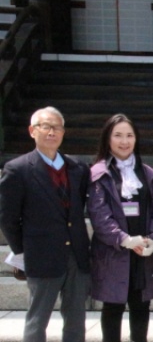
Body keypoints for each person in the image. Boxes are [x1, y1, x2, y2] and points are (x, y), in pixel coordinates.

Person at [0, 107, 91, 342]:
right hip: (41, 255)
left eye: (57, 127)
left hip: (76, 255)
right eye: (45, 126)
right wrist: (24, 249)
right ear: (32, 131)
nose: (52, 132)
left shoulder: (78, 168)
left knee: (76, 320)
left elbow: (77, 206)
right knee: (37, 319)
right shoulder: (17, 169)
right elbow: (7, 217)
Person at [87, 114, 153, 342]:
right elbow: (99, 215)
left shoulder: (148, 173)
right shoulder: (99, 173)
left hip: (143, 252)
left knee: (141, 307)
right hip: (113, 253)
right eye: (118, 135)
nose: (124, 141)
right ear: (108, 139)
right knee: (113, 307)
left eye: (129, 135)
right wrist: (123, 239)